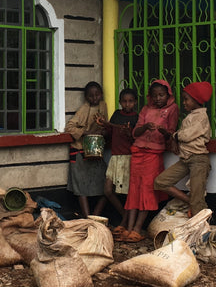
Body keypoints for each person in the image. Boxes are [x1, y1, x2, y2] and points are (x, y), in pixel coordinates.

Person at [119, 79, 178, 242]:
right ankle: (129, 228)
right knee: (134, 190)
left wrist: (163, 131)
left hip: (154, 154)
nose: (158, 98)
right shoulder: (145, 109)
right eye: (155, 95)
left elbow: (171, 134)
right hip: (138, 152)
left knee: (146, 191)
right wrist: (145, 127)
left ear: (168, 95)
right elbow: (135, 133)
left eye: (161, 95)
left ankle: (138, 228)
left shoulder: (172, 109)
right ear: (150, 97)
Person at [154, 81, 213, 214]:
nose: (184, 103)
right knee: (160, 182)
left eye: (186, 99)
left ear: (196, 100)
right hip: (186, 159)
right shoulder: (191, 116)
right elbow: (181, 137)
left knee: (197, 202)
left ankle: (202, 232)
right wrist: (175, 138)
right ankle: (189, 200)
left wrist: (174, 136)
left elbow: (185, 136)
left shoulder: (201, 117)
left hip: (198, 160)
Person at [65, 81, 109, 218]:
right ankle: (86, 217)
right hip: (80, 151)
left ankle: (95, 217)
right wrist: (85, 132)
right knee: (81, 187)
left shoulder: (103, 106)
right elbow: (69, 127)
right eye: (91, 96)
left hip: (97, 152)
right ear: (86, 97)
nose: (94, 98)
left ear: (101, 95)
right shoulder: (84, 109)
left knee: (106, 188)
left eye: (97, 95)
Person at [97, 88, 139, 227]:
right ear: (120, 102)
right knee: (108, 190)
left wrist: (127, 133)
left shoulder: (136, 118)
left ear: (135, 102)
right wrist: (103, 128)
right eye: (125, 101)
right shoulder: (116, 114)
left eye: (130, 101)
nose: (127, 104)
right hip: (115, 158)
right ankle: (124, 215)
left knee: (127, 193)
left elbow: (135, 138)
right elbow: (109, 131)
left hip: (128, 158)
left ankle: (124, 222)